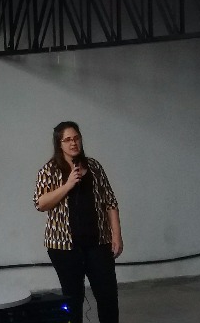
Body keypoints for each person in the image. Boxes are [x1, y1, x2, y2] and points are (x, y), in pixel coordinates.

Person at [33, 121, 123, 323]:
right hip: (64, 247)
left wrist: (116, 236)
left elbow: (111, 202)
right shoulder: (49, 170)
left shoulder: (94, 167)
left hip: (99, 243)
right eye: (67, 140)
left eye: (76, 138)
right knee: (73, 299)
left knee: (108, 296)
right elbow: (40, 203)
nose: (73, 143)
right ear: (59, 143)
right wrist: (68, 185)